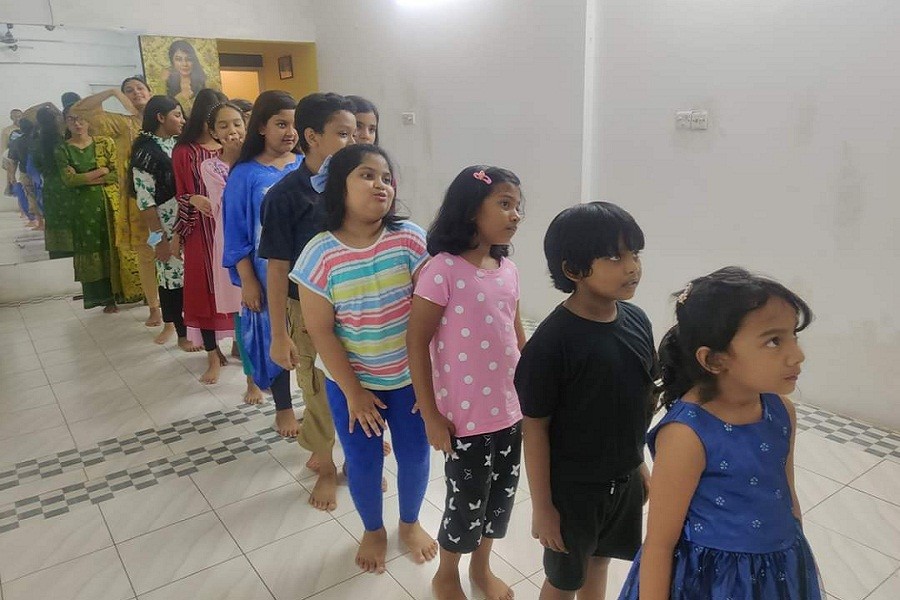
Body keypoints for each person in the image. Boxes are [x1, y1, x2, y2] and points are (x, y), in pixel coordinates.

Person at [618, 267, 823, 600]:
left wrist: (797, 560)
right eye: (774, 341)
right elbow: (659, 544)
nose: (797, 355)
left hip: (779, 569)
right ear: (714, 360)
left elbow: (787, 494)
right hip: (711, 582)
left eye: (793, 337)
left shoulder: (781, 411)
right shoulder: (687, 434)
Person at [291, 144, 436, 574]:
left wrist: (431, 379)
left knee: (415, 455)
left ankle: (409, 523)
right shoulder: (319, 253)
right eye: (367, 175)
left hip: (409, 379)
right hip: (351, 383)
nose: (381, 185)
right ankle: (373, 529)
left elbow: (432, 309)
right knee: (363, 461)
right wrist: (354, 392)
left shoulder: (410, 238)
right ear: (340, 187)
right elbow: (320, 330)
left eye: (387, 178)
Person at [515, 202, 657, 600]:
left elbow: (633, 405)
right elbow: (535, 427)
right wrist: (543, 507)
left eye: (634, 253)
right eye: (614, 257)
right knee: (564, 580)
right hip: (572, 493)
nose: (632, 267)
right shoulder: (552, 344)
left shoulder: (637, 320)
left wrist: (637, 464)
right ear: (573, 270)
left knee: (601, 560)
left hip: (623, 479)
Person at [407, 166, 527, 600]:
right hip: (466, 419)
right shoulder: (442, 270)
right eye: (505, 203)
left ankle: (482, 567)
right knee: (465, 504)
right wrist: (431, 415)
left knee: (500, 500)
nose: (516, 214)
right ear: (472, 209)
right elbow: (416, 342)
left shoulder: (507, 269)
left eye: (518, 206)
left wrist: (533, 393)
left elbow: (517, 336)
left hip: (511, 411)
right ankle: (446, 573)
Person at [256, 92, 357, 505]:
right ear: (312, 137)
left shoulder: (353, 186)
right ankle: (325, 464)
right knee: (318, 388)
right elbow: (277, 267)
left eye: (356, 133)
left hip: (354, 304)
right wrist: (279, 334)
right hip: (308, 308)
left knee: (356, 379)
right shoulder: (284, 196)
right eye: (343, 134)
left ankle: (356, 457)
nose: (352, 142)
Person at [212, 98, 290, 406]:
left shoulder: (304, 165)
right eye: (281, 124)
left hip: (308, 271)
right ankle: (283, 407)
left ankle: (317, 415)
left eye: (294, 125)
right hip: (265, 272)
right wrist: (248, 280)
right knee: (273, 336)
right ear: (260, 127)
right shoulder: (244, 174)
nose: (290, 132)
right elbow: (235, 233)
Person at [70, 76, 156, 321]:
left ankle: (178, 309)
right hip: (137, 199)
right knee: (145, 255)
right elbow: (80, 111)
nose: (135, 92)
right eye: (129, 90)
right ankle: (154, 308)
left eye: (140, 88)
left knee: (175, 256)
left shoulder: (164, 119)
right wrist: (112, 92)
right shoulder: (121, 123)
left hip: (168, 196)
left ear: (150, 92)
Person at [173, 88, 233, 384]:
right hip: (201, 230)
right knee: (205, 292)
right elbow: (181, 193)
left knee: (237, 285)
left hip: (231, 227)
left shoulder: (234, 148)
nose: (226, 127)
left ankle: (240, 345)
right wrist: (194, 199)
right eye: (219, 121)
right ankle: (212, 355)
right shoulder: (185, 151)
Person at [129, 95, 199, 352]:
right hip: (164, 227)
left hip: (187, 221)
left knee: (190, 278)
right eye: (176, 115)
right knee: (172, 278)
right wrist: (158, 240)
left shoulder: (179, 144)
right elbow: (145, 201)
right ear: (160, 117)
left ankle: (196, 328)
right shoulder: (145, 152)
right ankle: (181, 332)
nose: (182, 120)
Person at [56, 109, 122, 312]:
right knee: (92, 248)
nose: (77, 124)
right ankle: (104, 298)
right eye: (72, 119)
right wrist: (101, 171)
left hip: (109, 203)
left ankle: (123, 294)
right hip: (82, 208)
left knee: (115, 246)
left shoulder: (104, 143)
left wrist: (85, 177)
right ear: (65, 122)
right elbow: (69, 180)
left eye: (82, 119)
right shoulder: (63, 149)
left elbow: (117, 173)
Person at [35, 107, 73, 258]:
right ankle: (71, 247)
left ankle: (58, 250)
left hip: (50, 186)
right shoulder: (62, 142)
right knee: (69, 216)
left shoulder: (38, 142)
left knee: (55, 218)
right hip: (67, 184)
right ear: (56, 120)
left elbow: (37, 165)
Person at [164, 40, 208, 115]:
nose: (184, 64)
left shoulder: (204, 82)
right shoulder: (166, 85)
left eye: (188, 59)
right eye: (179, 59)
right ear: (172, 61)